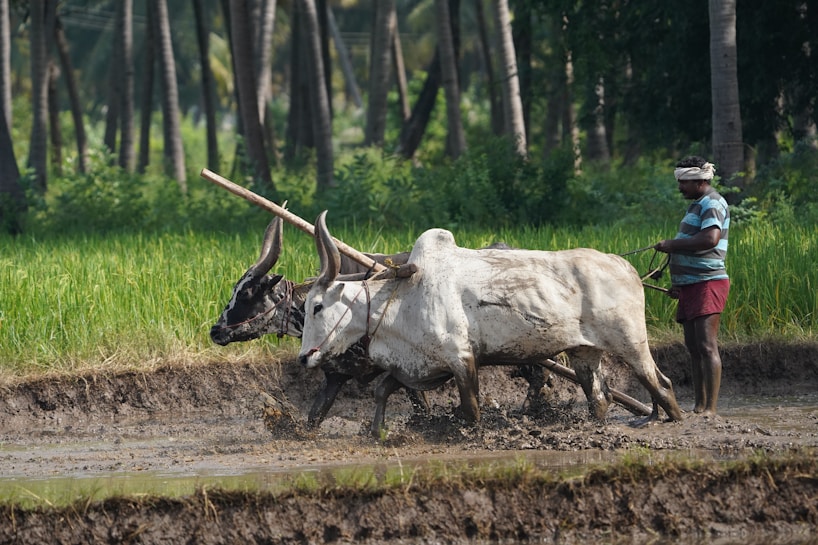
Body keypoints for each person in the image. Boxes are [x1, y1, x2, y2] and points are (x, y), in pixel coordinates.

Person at [655, 156, 730, 416]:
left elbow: (711, 238)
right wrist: (679, 282)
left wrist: (672, 245)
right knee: (694, 348)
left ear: (700, 180)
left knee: (707, 346)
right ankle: (699, 406)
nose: (680, 188)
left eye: (683, 183)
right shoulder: (697, 205)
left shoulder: (713, 202)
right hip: (690, 284)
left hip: (708, 282)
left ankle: (710, 409)